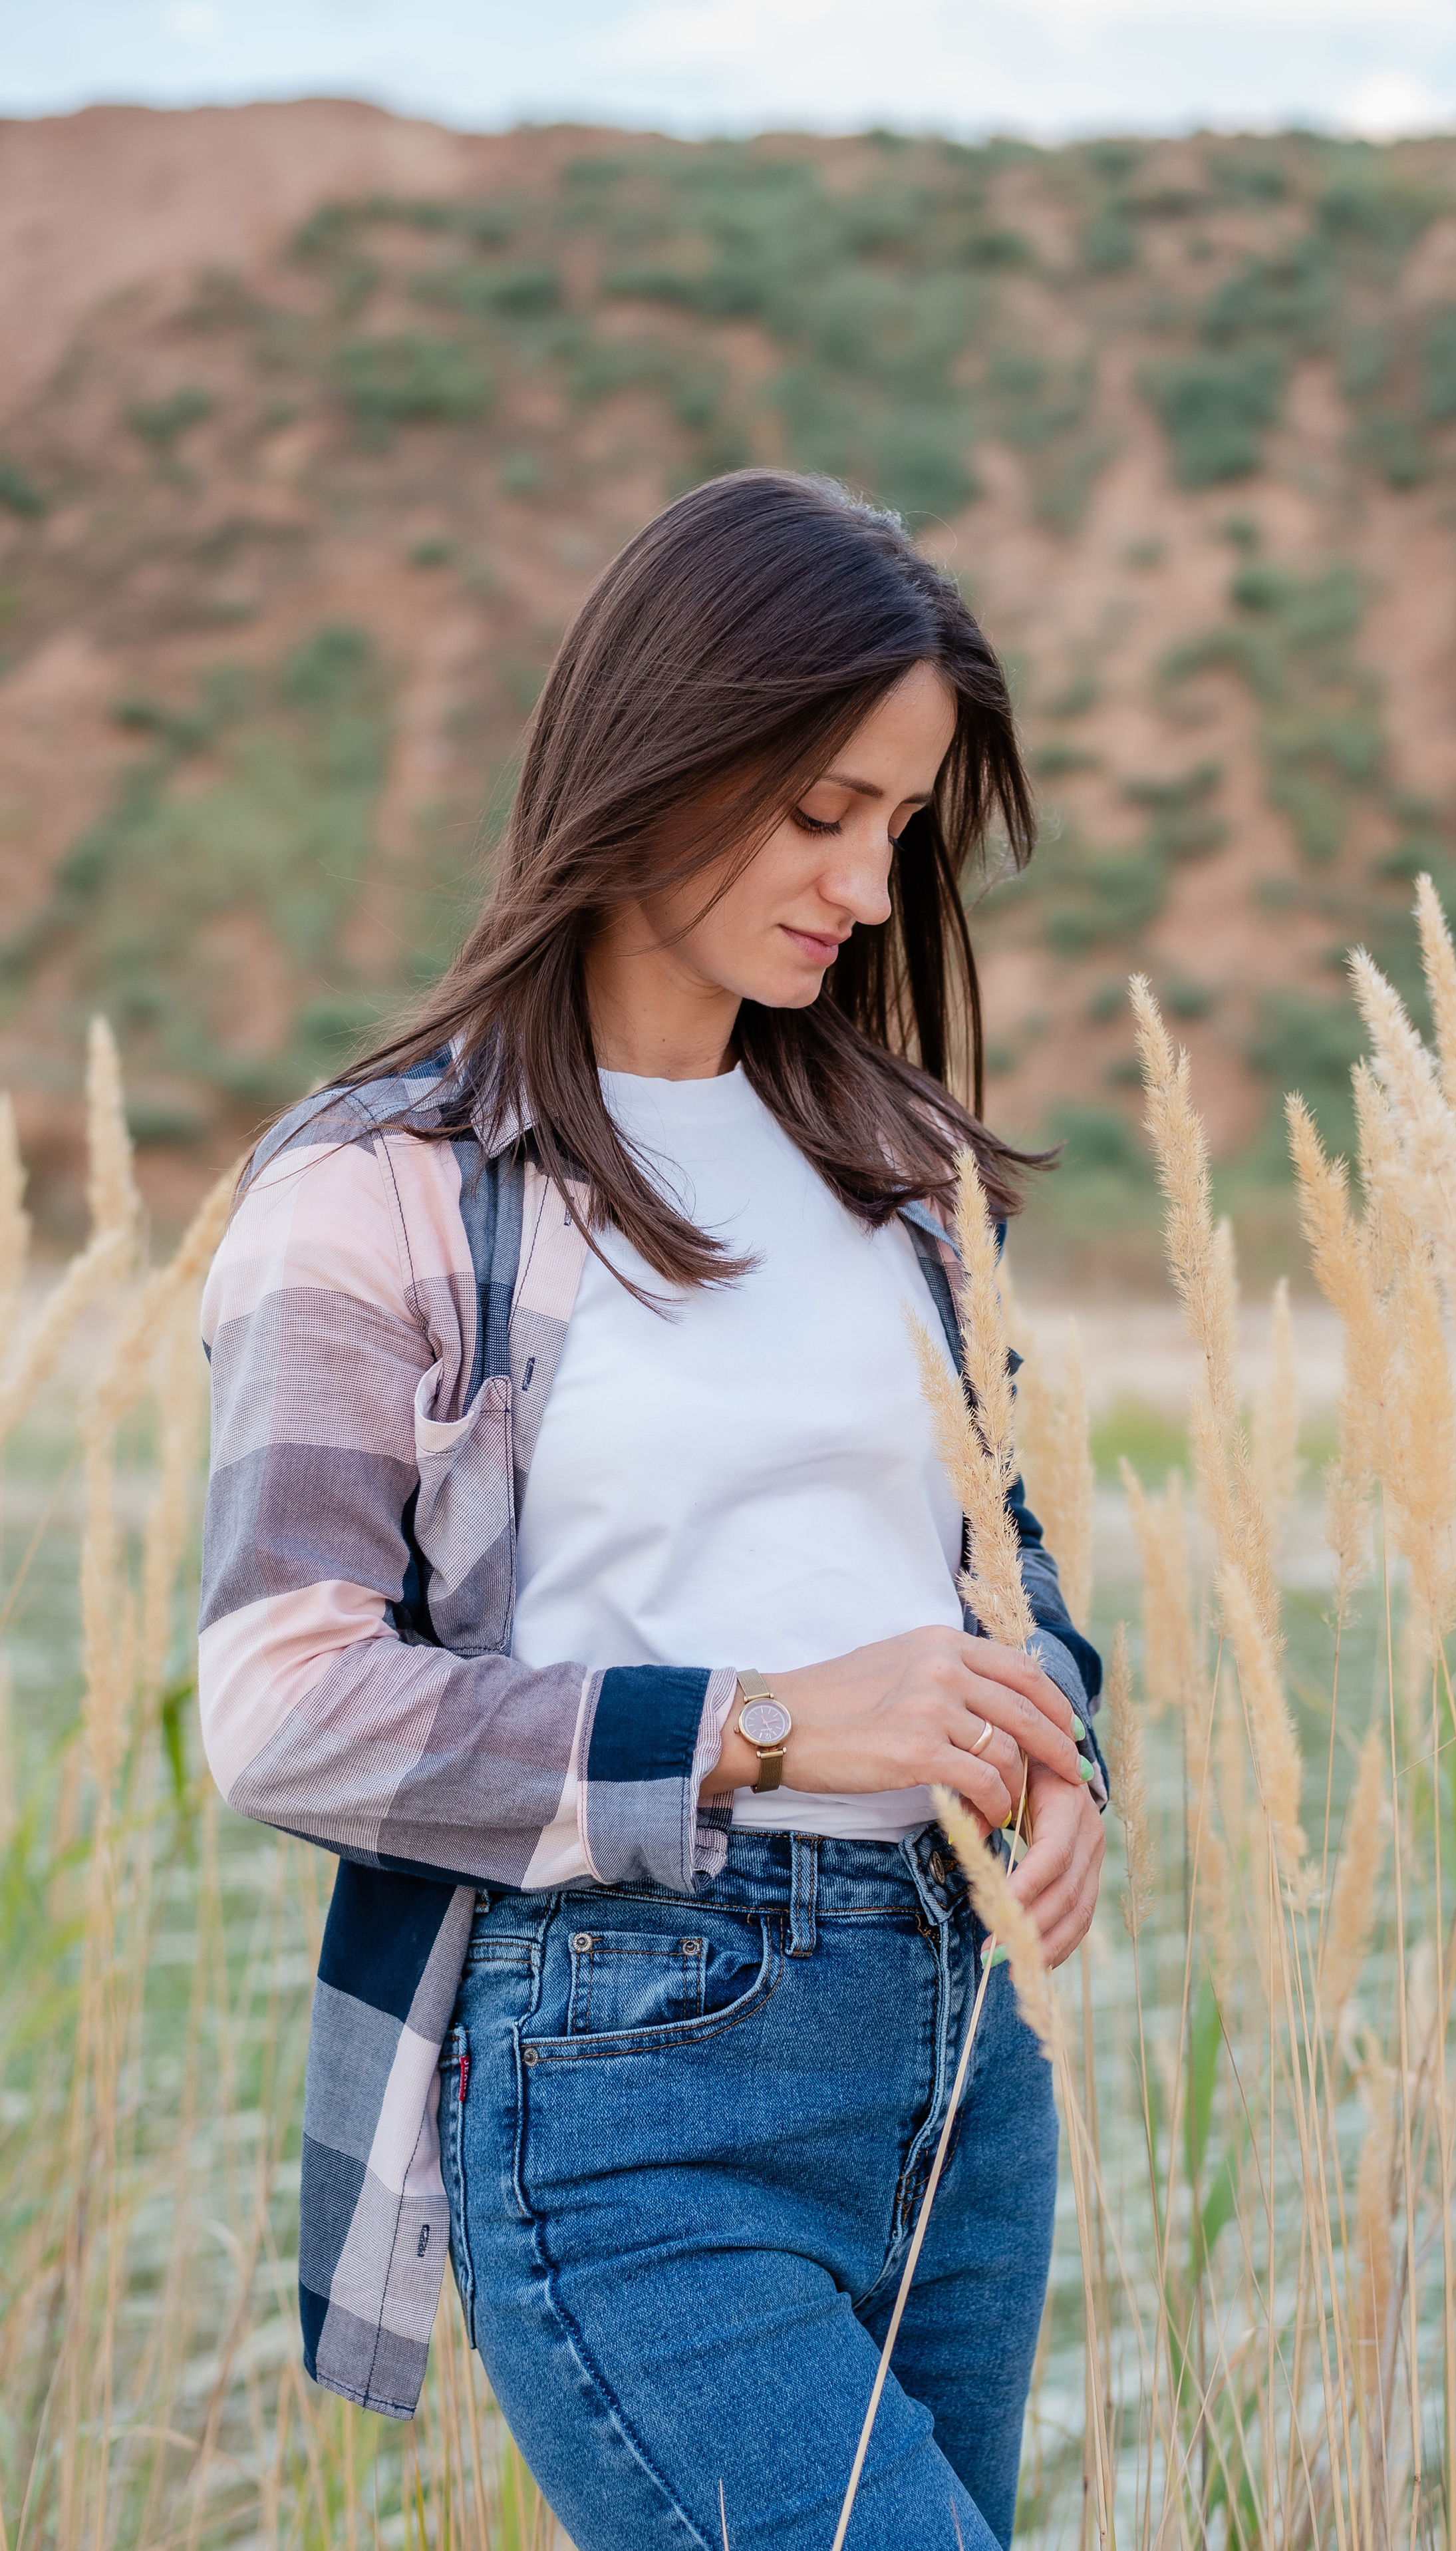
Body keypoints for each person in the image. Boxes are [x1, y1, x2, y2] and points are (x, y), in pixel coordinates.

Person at [198, 468, 1106, 2550]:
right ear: (669, 747)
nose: (869, 889)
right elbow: (284, 1701)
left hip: (964, 2052)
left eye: (899, 828)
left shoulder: (887, 1162)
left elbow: (1006, 1566)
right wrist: (776, 1719)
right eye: (821, 814)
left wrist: (1060, 1754)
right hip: (630, 2067)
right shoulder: (388, 1183)